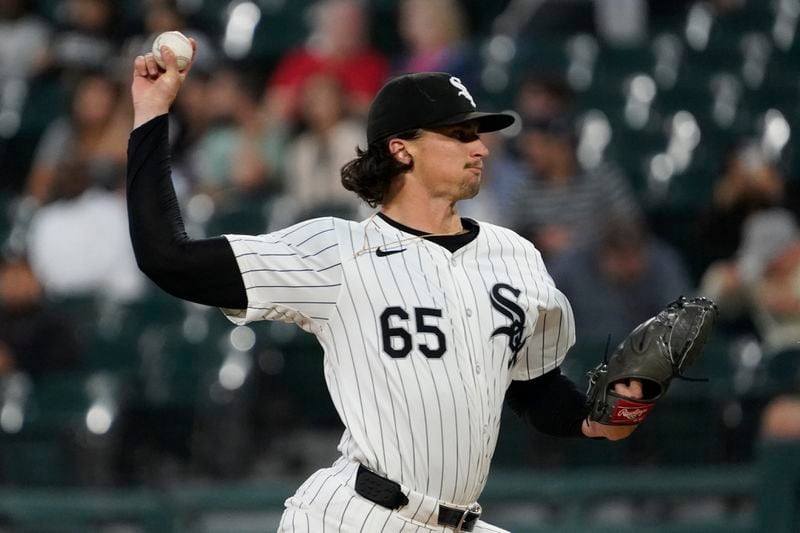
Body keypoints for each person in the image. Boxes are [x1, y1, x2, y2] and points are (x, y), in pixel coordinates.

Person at [128, 42, 644, 532]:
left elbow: (535, 387)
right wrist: (152, 115)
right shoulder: (338, 253)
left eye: (478, 134)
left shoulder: (517, 256)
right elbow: (168, 258)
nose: (482, 147)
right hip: (355, 518)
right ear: (402, 149)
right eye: (461, 134)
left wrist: (593, 419)